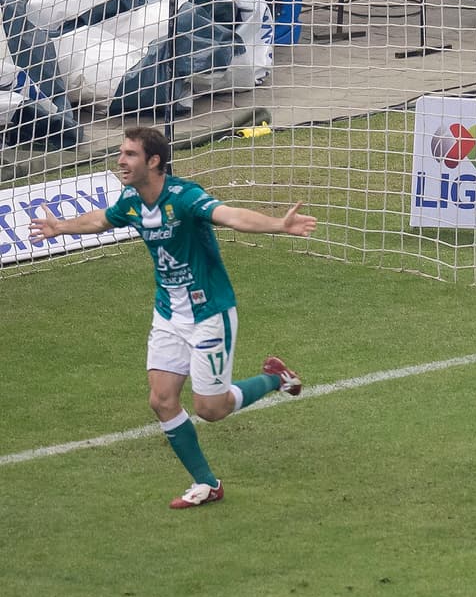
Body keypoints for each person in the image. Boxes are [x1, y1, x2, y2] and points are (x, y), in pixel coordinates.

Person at [27, 126, 318, 509]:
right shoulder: (131, 200)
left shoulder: (184, 197)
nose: (120, 161)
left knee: (210, 410)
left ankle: (274, 378)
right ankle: (207, 483)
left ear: (154, 161)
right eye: (121, 153)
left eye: (130, 154)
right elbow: (103, 220)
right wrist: (60, 227)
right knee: (162, 400)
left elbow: (229, 216)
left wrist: (278, 224)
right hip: (168, 312)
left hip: (209, 312)